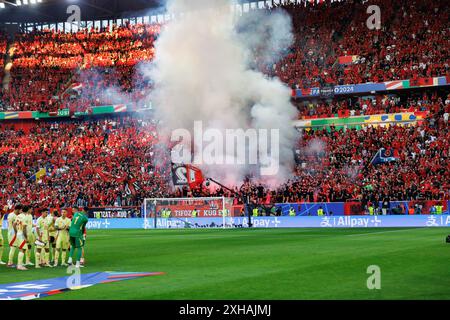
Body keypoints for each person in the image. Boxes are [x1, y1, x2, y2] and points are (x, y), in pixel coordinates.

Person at [15, 206, 30, 271]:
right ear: (27, 210)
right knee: (22, 249)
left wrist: (16, 232)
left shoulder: (18, 216)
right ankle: (19, 265)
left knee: (21, 249)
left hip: (18, 233)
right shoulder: (25, 217)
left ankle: (19, 264)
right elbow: (24, 228)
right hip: (22, 235)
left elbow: (13, 224)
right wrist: (26, 237)